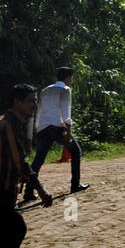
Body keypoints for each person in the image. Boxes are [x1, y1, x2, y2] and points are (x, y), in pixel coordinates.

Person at [0, 84, 53, 248]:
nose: (35, 105)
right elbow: (20, 162)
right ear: (17, 103)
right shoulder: (7, 125)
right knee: (15, 228)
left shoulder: (9, 122)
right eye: (30, 101)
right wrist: (41, 190)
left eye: (35, 101)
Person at [25, 66, 88, 201]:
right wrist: (68, 130)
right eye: (71, 77)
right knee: (76, 151)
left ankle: (28, 192)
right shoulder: (65, 89)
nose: (72, 80)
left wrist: (38, 128)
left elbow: (39, 110)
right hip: (57, 127)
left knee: (38, 160)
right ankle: (75, 185)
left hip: (43, 127)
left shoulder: (45, 90)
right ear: (67, 77)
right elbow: (66, 112)